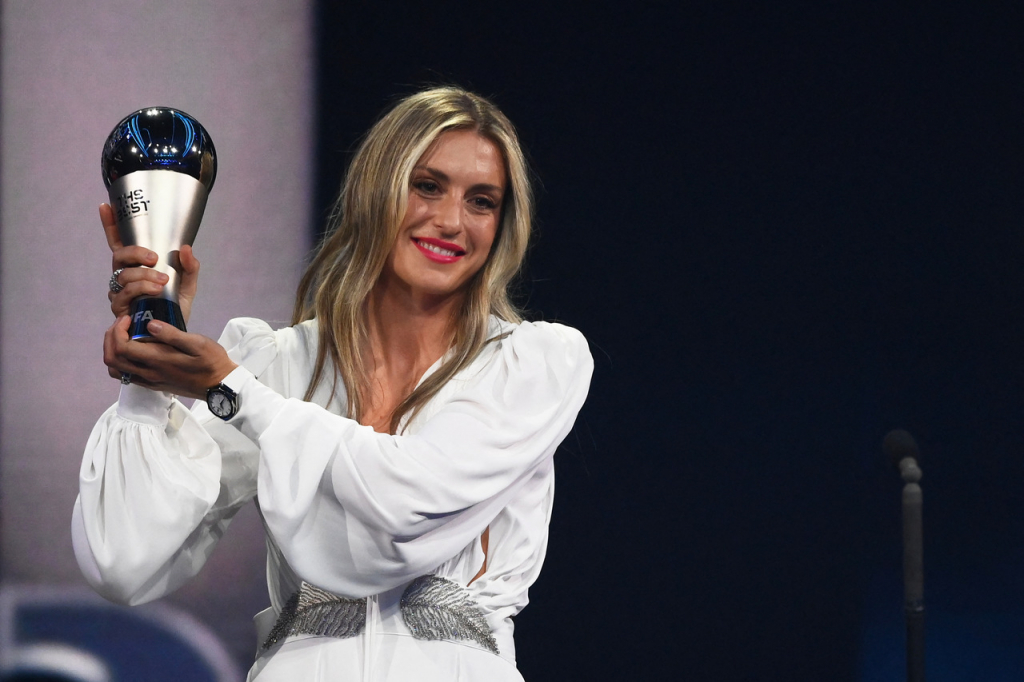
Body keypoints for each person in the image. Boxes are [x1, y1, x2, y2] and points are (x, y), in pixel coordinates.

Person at [72, 87, 593, 682]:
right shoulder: (278, 366)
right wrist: (151, 365)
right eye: (426, 185)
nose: (452, 221)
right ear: (376, 187)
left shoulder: (531, 364)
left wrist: (232, 392)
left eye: (482, 201)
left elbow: (402, 508)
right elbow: (122, 561)